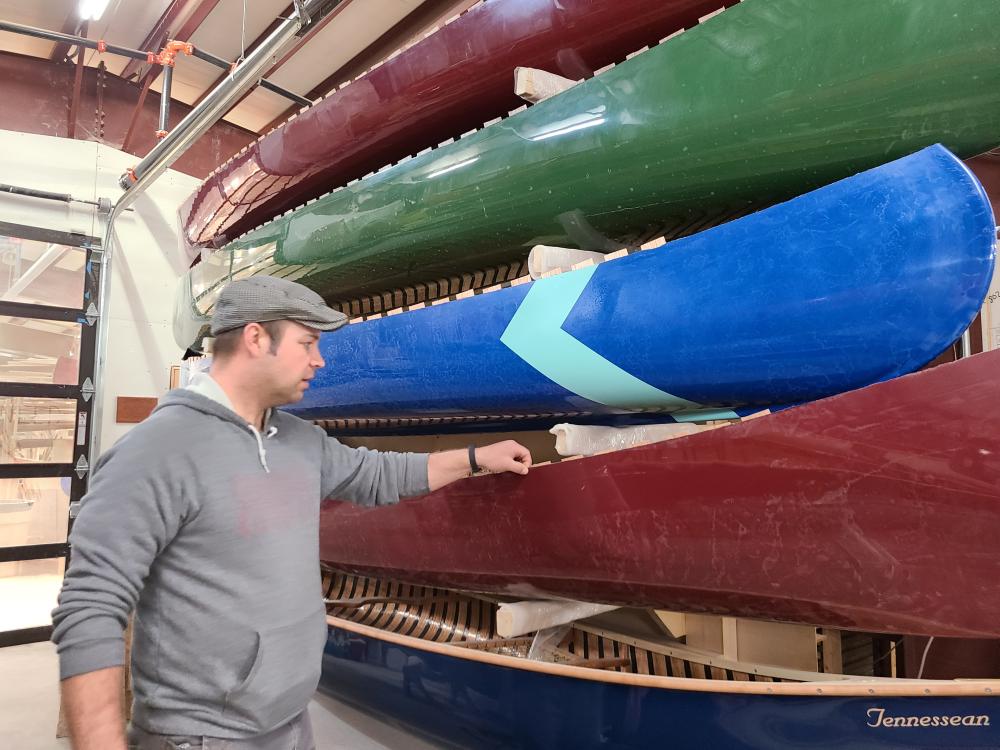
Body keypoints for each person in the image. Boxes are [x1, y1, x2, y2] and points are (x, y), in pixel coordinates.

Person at [52, 276, 532, 750]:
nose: (319, 360)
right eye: (307, 342)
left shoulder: (300, 440)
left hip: (289, 723)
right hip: (199, 737)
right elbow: (90, 607)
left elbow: (378, 475)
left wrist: (475, 457)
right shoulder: (158, 451)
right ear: (256, 337)